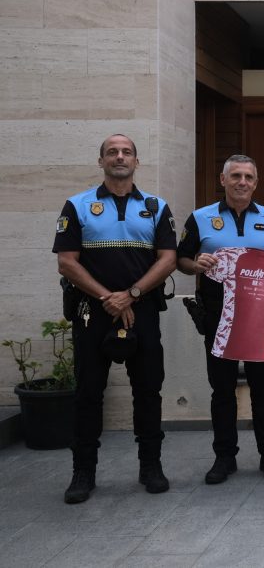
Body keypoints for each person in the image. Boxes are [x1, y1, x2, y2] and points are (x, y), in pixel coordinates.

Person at [53, 134, 177, 504]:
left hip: (143, 311)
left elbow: (168, 259)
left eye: (126, 152)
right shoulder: (77, 206)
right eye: (112, 152)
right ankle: (83, 472)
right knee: (88, 393)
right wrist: (108, 297)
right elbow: (67, 261)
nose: (119, 157)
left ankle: (151, 467)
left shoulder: (157, 206)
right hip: (93, 311)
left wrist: (132, 294)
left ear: (137, 162)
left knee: (149, 391)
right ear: (101, 160)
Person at [176, 154, 264, 484]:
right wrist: (195, 264)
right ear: (223, 180)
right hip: (217, 316)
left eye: (249, 177)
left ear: (256, 182)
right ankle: (224, 457)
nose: (242, 182)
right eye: (236, 176)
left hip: (257, 318)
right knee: (222, 389)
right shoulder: (200, 218)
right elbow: (180, 259)